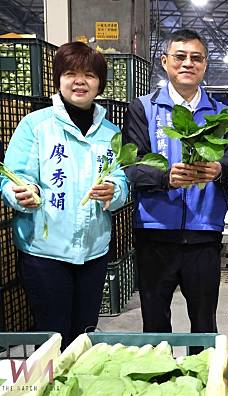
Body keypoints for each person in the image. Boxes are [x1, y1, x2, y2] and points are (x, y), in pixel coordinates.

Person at [0, 42, 129, 347]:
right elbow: (13, 178)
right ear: (58, 80)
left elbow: (120, 179)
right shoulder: (36, 125)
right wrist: (23, 193)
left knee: (84, 334)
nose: (79, 81)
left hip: (93, 251)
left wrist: (115, 191)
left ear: (100, 83)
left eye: (89, 74)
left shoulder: (110, 131)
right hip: (45, 252)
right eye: (70, 73)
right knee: (53, 336)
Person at [121, 29, 228, 337]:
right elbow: (131, 165)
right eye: (180, 56)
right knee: (155, 322)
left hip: (204, 233)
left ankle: (204, 382)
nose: (188, 63)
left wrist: (218, 169)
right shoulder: (144, 109)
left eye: (196, 58)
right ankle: (160, 382)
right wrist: (165, 177)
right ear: (165, 62)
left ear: (204, 65)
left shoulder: (222, 114)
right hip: (155, 232)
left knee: (204, 323)